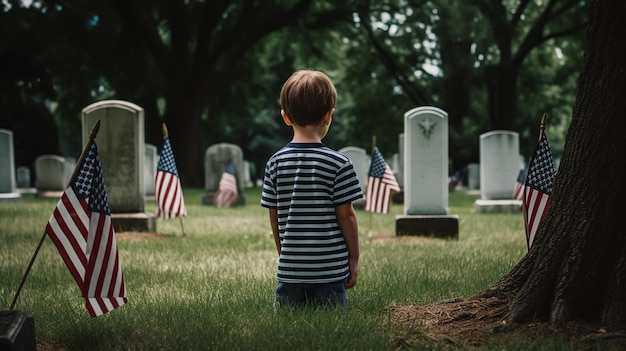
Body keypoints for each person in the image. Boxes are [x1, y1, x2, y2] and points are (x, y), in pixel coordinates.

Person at [260, 69, 363, 307]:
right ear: (329, 115)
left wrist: (284, 254)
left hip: (290, 271)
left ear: (285, 117)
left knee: (287, 323)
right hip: (329, 272)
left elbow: (274, 218)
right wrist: (354, 258)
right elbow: (346, 216)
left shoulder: (275, 163)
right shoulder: (339, 164)